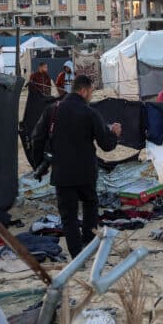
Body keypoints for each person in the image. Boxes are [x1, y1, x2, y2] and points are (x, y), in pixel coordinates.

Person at [32, 75, 122, 258]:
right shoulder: (90, 113)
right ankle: (89, 244)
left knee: (68, 216)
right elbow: (106, 145)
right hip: (86, 172)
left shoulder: (52, 110)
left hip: (62, 173)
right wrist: (114, 134)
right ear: (83, 90)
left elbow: (37, 138)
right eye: (91, 92)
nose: (91, 96)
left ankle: (76, 254)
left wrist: (40, 164)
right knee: (90, 206)